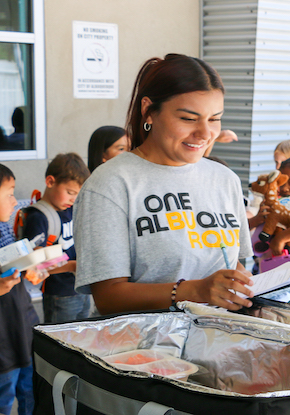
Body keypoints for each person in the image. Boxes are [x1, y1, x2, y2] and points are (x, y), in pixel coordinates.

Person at [73, 53, 254, 314]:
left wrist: (248, 292)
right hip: (140, 349)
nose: (205, 133)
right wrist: (195, 291)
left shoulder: (225, 179)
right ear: (148, 111)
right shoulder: (110, 184)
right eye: (189, 118)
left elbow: (230, 264)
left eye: (214, 119)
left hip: (216, 341)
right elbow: (108, 297)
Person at [21, 153, 91, 324]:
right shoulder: (39, 217)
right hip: (60, 293)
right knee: (62, 341)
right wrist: (72, 266)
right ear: (50, 182)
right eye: (69, 192)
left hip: (81, 288)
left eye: (77, 195)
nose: (73, 199)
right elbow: (36, 264)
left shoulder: (70, 209)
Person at [0, 164, 37, 415]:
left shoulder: (3, 227)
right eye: (9, 193)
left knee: (29, 387)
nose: (15, 202)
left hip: (20, 322)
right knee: (5, 395)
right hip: (3, 338)